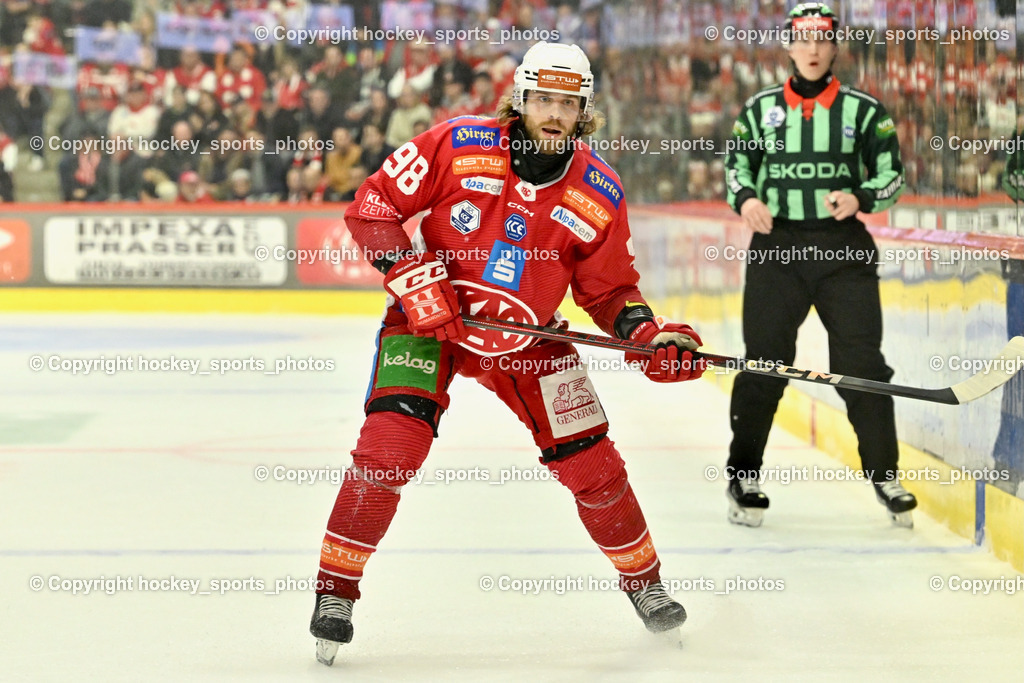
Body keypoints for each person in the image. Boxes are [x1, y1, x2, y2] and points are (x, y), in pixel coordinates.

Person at [310, 41, 707, 665]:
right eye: (543, 99)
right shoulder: (456, 143)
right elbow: (373, 208)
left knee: (593, 463)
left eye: (568, 103)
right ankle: (335, 593)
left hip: (531, 338)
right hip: (429, 323)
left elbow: (610, 292)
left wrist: (649, 336)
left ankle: (646, 585)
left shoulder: (599, 190)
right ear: (520, 99)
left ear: (584, 111)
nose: (555, 113)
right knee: (389, 450)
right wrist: (411, 278)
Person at [723, 3, 914, 528]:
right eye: (803, 39)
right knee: (764, 364)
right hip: (777, 249)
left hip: (843, 251)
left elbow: (892, 176)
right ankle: (743, 476)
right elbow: (736, 169)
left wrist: (861, 197)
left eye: (822, 39)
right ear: (788, 45)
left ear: (834, 46)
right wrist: (746, 200)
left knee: (862, 367)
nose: (812, 49)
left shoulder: (865, 111)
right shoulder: (759, 110)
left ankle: (886, 476)